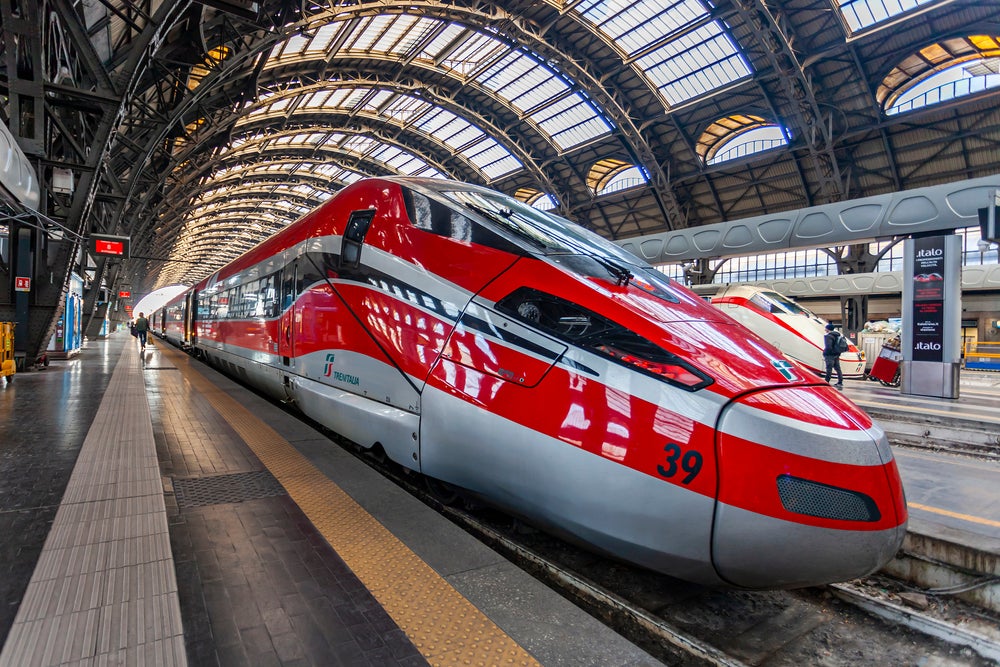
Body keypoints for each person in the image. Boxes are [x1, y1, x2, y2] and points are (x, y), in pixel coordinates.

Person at [823, 322, 843, 388]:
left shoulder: (828, 336)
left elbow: (828, 347)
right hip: (837, 354)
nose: (825, 329)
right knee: (838, 368)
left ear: (828, 329)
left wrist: (825, 353)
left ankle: (826, 381)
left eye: (825, 328)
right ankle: (840, 381)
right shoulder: (837, 335)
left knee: (829, 368)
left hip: (829, 355)